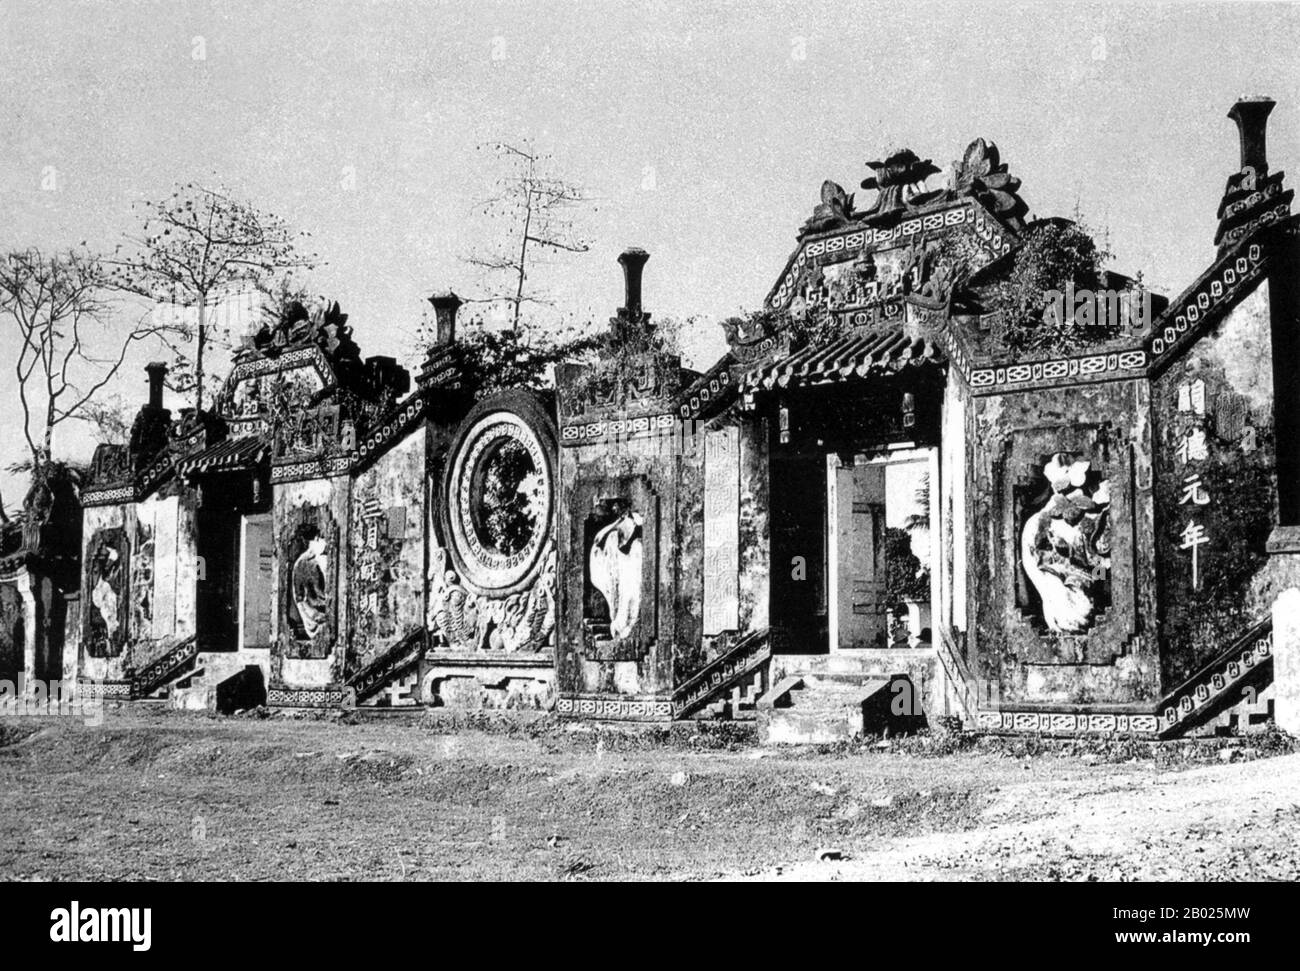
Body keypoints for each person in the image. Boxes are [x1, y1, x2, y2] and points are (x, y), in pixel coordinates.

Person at [291, 523, 329, 640]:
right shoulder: (303, 563)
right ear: (318, 538)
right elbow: (300, 599)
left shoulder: (323, 558)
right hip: (317, 620)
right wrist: (317, 617)